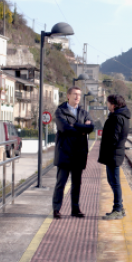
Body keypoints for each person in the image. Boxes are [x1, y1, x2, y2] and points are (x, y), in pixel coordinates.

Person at [52, 86, 95, 219]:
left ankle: (75, 209)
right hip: (64, 153)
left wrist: (75, 126)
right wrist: (82, 128)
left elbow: (91, 127)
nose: (77, 97)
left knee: (77, 184)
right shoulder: (60, 111)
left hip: (79, 153)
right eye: (75, 94)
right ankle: (56, 209)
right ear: (68, 96)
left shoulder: (84, 112)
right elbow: (64, 128)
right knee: (61, 183)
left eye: (79, 95)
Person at [98, 94, 130, 220]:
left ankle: (118, 209)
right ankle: (119, 208)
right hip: (113, 153)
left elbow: (114, 137)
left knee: (115, 182)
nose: (107, 105)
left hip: (113, 153)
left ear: (114, 105)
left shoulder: (117, 118)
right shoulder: (120, 116)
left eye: (109, 103)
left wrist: (107, 146)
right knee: (112, 181)